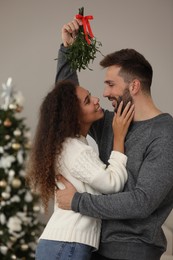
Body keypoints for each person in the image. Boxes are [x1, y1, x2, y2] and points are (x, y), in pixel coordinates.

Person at [55, 18, 173, 260]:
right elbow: (69, 104)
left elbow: (141, 202)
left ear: (134, 86)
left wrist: (78, 201)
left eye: (111, 84)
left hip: (133, 251)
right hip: (96, 246)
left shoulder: (165, 134)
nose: (105, 93)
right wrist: (67, 51)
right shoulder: (112, 122)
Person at [26, 78, 134, 260]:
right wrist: (119, 138)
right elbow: (112, 183)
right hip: (67, 245)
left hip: (62, 245)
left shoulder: (69, 145)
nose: (96, 100)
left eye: (90, 96)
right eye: (87, 101)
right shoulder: (75, 149)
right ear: (72, 115)